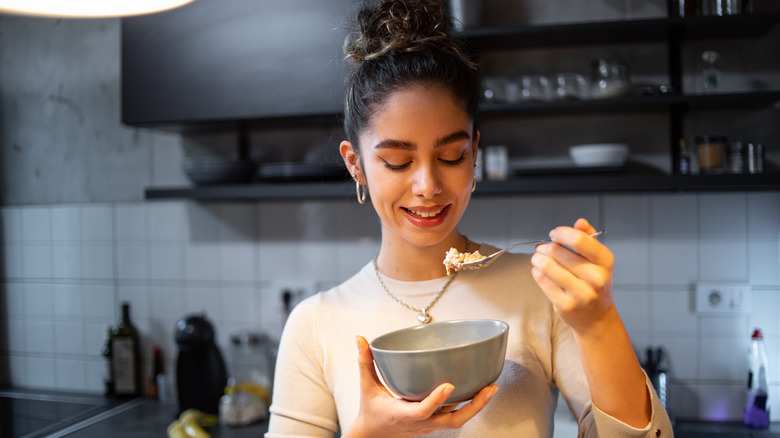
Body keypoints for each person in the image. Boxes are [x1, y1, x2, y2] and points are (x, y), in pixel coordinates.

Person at [266, 1, 673, 437]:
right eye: (398, 162)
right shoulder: (315, 324)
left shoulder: (542, 295)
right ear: (356, 165)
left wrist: (599, 322)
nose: (427, 185)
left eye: (451, 156)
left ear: (474, 153)